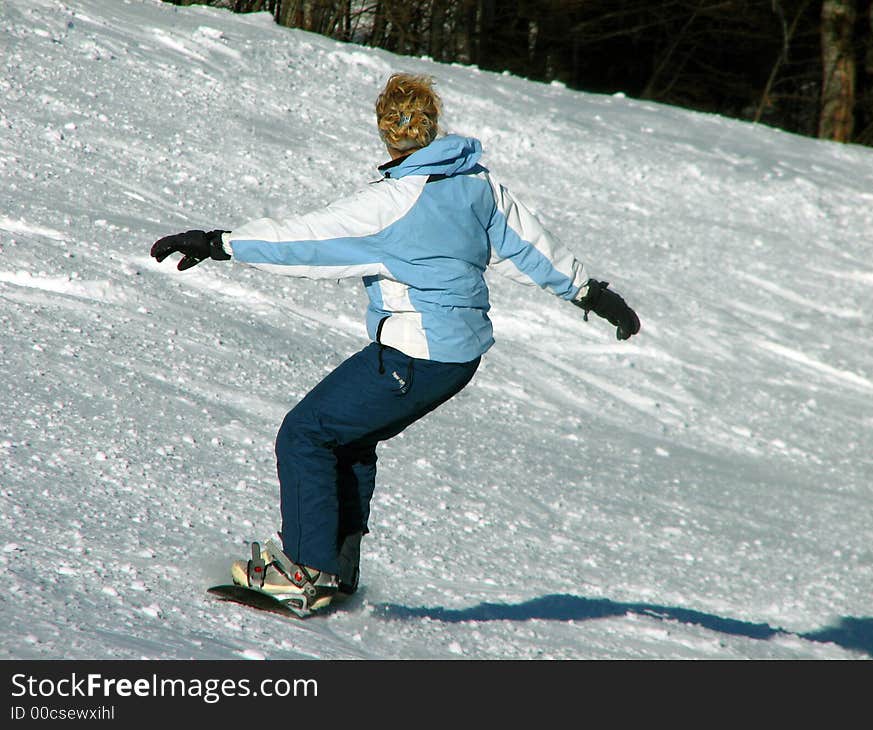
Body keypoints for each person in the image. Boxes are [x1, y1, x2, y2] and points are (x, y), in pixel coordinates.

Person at [150, 72, 640, 615]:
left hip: (414, 353)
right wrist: (591, 294)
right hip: (457, 359)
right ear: (433, 123)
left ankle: (306, 576)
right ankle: (335, 572)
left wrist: (219, 243)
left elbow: (306, 238)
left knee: (306, 434)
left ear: (386, 132)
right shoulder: (478, 184)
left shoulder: (391, 202)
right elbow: (532, 250)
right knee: (349, 439)